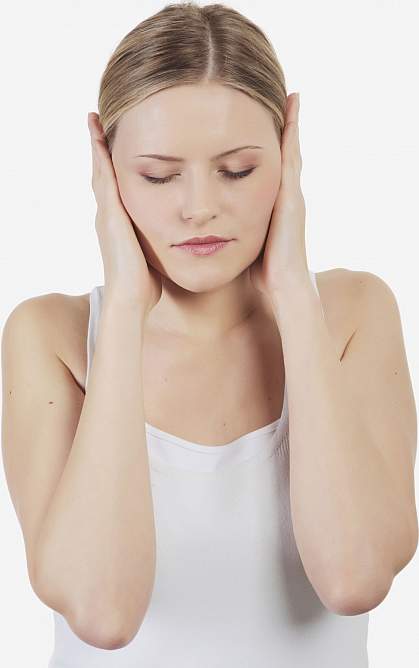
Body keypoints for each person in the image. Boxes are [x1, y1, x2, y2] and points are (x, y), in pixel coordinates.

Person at [2, 2, 417, 667]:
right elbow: (103, 613)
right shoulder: (50, 335)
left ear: (287, 154)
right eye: (158, 176)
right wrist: (128, 305)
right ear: (106, 173)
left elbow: (353, 578)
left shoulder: (353, 312)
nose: (199, 206)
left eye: (237, 170)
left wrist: (292, 292)